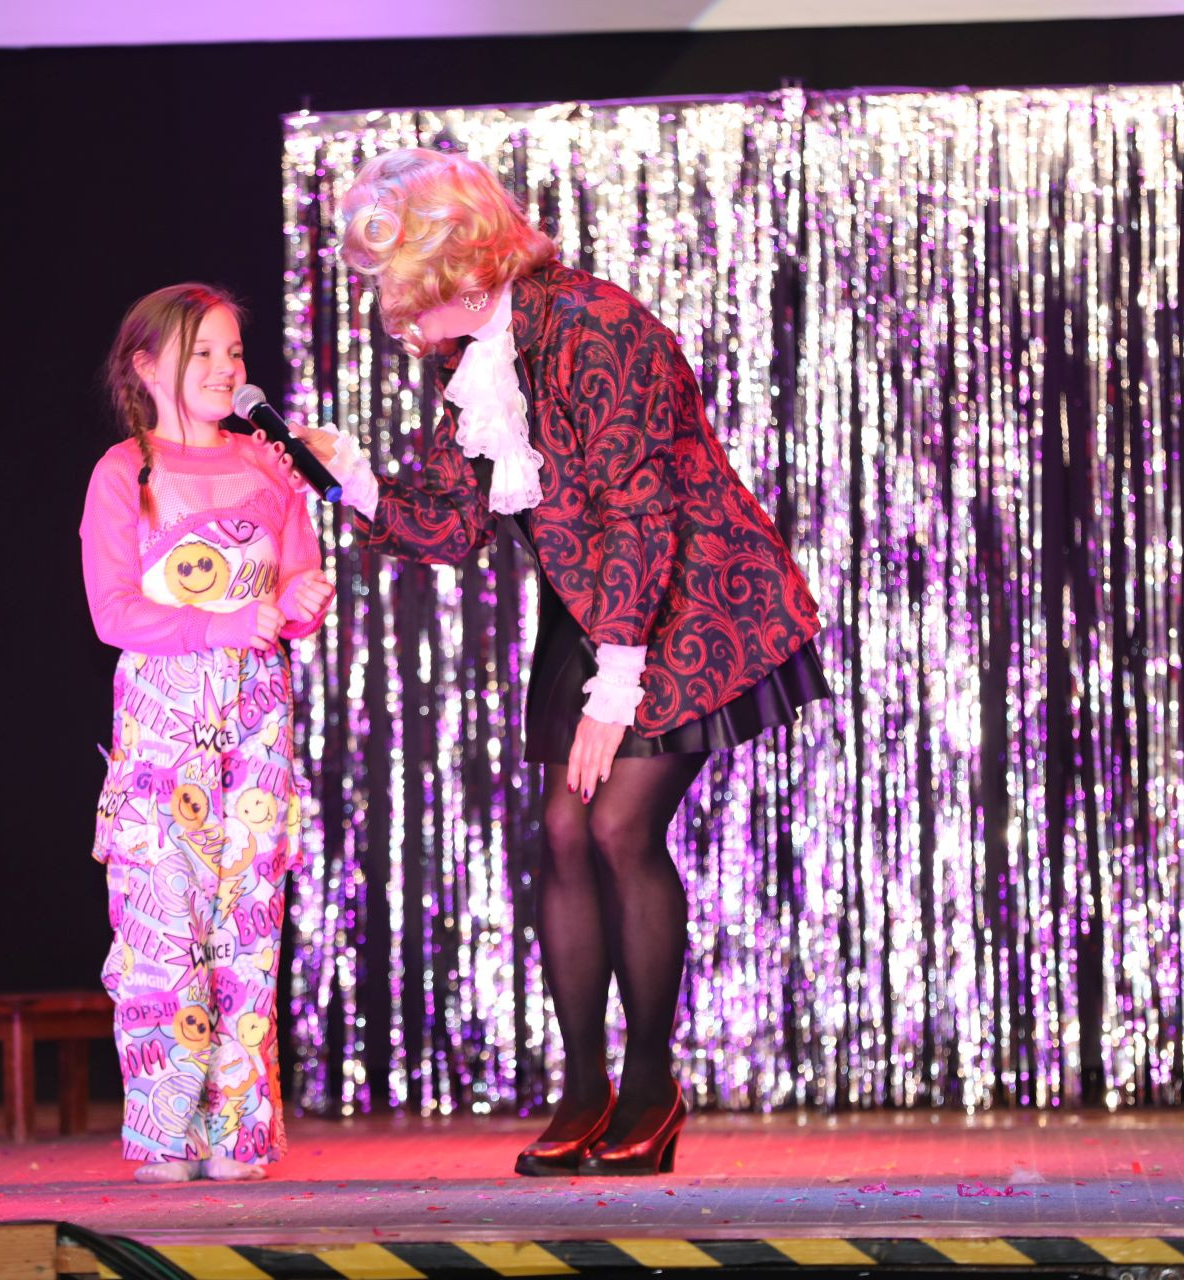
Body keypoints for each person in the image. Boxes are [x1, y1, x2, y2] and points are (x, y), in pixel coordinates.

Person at [295, 149, 828, 1176]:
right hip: (593, 604)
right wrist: (351, 481)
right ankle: (585, 1088)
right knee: (566, 831)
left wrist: (616, 684)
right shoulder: (480, 354)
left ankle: (650, 1087)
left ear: (454, 267)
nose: (392, 317)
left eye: (399, 289)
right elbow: (453, 524)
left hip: (689, 594)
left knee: (619, 824)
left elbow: (640, 506)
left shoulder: (594, 325)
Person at [81, 284, 335, 1183]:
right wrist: (222, 623)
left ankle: (240, 1133)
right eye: (204, 353)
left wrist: (302, 600)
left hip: (257, 715)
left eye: (234, 352)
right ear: (147, 368)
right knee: (165, 925)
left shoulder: (270, 464)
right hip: (165, 717)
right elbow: (113, 611)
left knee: (247, 922)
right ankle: (166, 1132)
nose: (228, 369)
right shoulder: (126, 472)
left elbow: (295, 584)